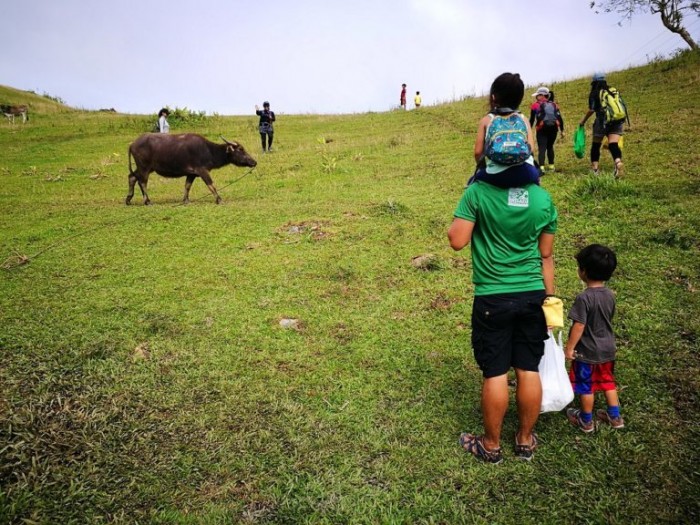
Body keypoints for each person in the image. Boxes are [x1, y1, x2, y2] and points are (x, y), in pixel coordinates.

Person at [448, 75, 558, 462]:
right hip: (533, 294)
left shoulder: (477, 192)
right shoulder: (543, 199)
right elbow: (546, 256)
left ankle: (491, 446)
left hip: (493, 295)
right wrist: (551, 300)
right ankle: (525, 441)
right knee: (528, 368)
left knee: (495, 372)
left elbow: (457, 240)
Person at [565, 244, 624, 432]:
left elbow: (579, 325)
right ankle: (615, 417)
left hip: (587, 352)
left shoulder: (584, 298)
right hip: (608, 349)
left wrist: (569, 348)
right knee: (608, 382)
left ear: (583, 271)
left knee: (586, 385)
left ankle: (586, 420)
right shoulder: (610, 295)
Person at [469, 73, 541, 188]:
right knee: (536, 182)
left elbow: (478, 153)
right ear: (520, 98)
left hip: (495, 175)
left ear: (493, 97)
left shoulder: (486, 120)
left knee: (472, 185)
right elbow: (531, 149)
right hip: (524, 173)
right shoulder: (523, 119)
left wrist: (482, 168)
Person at [579, 73, 624, 177]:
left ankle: (595, 170)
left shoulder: (595, 93)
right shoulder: (612, 90)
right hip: (617, 120)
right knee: (613, 144)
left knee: (596, 145)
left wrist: (583, 121)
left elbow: (591, 109)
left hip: (602, 121)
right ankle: (618, 163)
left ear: (593, 82)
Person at [529, 87, 564, 173]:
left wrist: (528, 130)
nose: (536, 97)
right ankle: (552, 166)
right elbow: (560, 118)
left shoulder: (535, 105)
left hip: (541, 130)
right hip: (553, 129)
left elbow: (532, 120)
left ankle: (541, 168)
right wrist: (562, 130)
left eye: (537, 95)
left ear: (542, 95)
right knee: (550, 147)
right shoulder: (554, 105)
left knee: (542, 148)